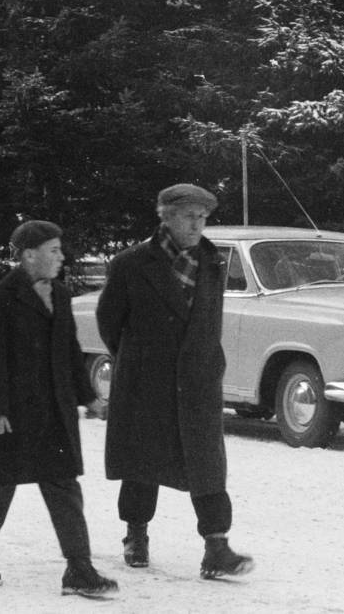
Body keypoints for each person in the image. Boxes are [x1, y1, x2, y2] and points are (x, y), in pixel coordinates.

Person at [95, 183, 254, 580]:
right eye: (188, 216)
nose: (197, 224)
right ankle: (136, 535)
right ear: (164, 216)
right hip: (147, 377)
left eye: (203, 217)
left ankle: (216, 548)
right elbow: (109, 322)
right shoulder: (131, 263)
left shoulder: (213, 262)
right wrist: (139, 357)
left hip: (198, 377)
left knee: (206, 462)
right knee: (141, 461)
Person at [0, 220, 116, 597]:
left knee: (64, 487)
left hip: (55, 410)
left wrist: (89, 396)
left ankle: (79, 568)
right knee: (0, 484)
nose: (62, 257)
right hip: (13, 413)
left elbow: (68, 351)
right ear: (29, 255)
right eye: (54, 251)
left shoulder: (61, 295)